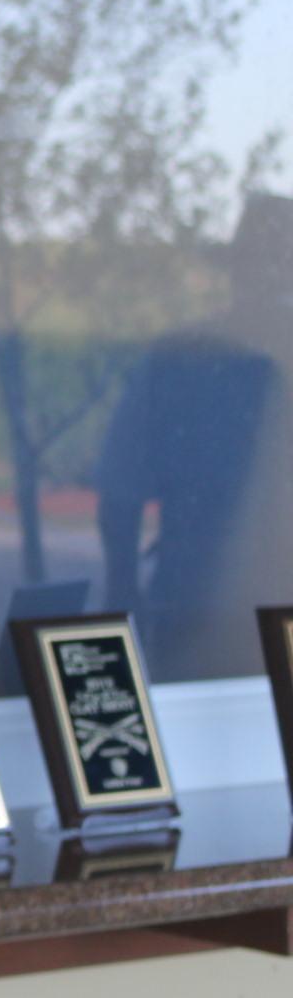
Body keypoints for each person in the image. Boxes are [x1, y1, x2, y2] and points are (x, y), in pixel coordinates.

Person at [98, 190, 293, 680]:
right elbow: (119, 490)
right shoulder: (178, 363)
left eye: (279, 263)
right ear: (236, 270)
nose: (270, 278)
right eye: (259, 263)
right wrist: (123, 601)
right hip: (195, 620)